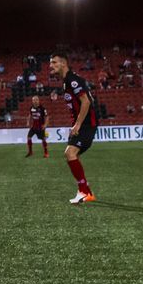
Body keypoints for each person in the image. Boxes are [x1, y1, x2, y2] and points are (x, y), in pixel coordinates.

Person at [49, 53, 97, 204]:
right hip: (83, 124)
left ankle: (83, 191)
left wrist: (77, 124)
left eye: (54, 62)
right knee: (71, 154)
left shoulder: (72, 80)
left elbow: (86, 101)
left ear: (63, 64)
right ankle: (87, 191)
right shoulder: (66, 81)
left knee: (70, 153)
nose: (51, 65)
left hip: (86, 124)